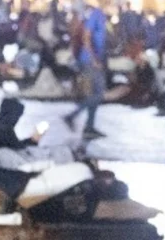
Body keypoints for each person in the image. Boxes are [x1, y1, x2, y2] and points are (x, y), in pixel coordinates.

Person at [63, 0, 108, 138]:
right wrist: (94, 59)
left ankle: (89, 126)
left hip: (91, 59)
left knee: (94, 93)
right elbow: (86, 37)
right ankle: (72, 116)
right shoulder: (96, 14)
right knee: (99, 93)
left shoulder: (98, 14)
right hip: (89, 60)